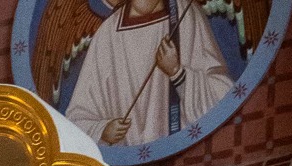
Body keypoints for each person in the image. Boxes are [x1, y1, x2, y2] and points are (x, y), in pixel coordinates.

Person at [64, 0, 231, 151]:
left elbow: (223, 95)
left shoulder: (186, 15)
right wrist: (103, 130)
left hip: (183, 154)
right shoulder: (107, 35)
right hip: (126, 164)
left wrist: (177, 73)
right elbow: (76, 119)